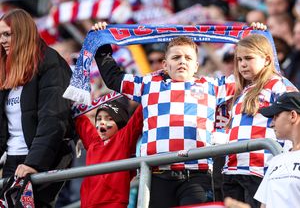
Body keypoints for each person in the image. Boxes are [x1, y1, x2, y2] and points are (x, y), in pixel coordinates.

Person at [93, 22, 237, 207]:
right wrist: (102, 43)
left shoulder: (212, 86)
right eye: (176, 57)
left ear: (196, 65)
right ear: (165, 64)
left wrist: (257, 36)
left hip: (197, 175)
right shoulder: (148, 84)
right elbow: (114, 78)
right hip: (157, 175)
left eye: (188, 58)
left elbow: (248, 74)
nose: (182, 61)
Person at [0, 9, 74, 207]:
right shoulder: (5, 68)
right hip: (12, 161)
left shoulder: (50, 62)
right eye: (0, 36)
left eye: (7, 34)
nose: (2, 41)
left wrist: (34, 163)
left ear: (23, 33)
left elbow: (53, 118)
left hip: (41, 161)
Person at [222, 34, 298, 208]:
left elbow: (294, 117)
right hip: (232, 169)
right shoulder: (242, 90)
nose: (242, 64)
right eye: (239, 59)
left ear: (266, 60)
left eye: (248, 58)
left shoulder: (278, 84)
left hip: (260, 169)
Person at [74, 98, 143, 208]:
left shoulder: (123, 139)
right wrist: (72, 101)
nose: (102, 122)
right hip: (87, 204)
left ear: (120, 123)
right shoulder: (93, 142)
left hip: (113, 204)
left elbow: (138, 116)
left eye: (109, 118)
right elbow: (80, 120)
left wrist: (148, 93)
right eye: (99, 118)